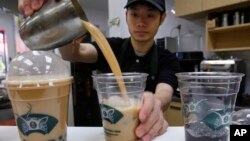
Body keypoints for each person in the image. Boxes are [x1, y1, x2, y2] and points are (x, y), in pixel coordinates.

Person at [18, 0, 180, 140]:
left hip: (147, 134)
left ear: (162, 18)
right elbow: (74, 53)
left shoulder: (168, 59)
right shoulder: (111, 46)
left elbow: (163, 94)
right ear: (126, 15)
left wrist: (155, 105)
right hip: (110, 133)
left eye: (150, 15)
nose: (141, 22)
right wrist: (61, 27)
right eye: (134, 14)